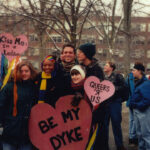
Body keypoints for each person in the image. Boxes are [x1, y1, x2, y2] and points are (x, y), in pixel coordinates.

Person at [0, 61, 38, 150]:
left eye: (26, 71)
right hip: (10, 131)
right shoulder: (9, 87)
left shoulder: (34, 87)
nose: (23, 73)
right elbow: (1, 105)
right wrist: (5, 122)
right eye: (21, 71)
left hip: (27, 133)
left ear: (31, 72)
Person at [77, 43, 107, 150]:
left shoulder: (97, 70)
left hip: (95, 110)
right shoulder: (80, 68)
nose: (78, 54)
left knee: (95, 139)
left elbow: (100, 93)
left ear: (87, 54)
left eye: (80, 52)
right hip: (82, 109)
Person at [103, 61, 127, 150]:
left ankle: (119, 145)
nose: (104, 66)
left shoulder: (117, 76)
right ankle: (104, 145)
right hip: (105, 104)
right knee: (104, 125)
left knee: (116, 124)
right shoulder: (103, 78)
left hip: (115, 103)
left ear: (111, 68)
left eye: (106, 65)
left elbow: (124, 87)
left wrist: (113, 88)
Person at [130, 62, 150, 150]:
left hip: (143, 112)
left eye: (133, 70)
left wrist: (136, 105)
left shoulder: (145, 83)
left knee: (145, 134)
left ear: (139, 71)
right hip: (138, 111)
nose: (132, 72)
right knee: (139, 134)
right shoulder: (138, 82)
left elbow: (147, 100)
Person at [126, 72, 138, 145]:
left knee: (131, 120)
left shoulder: (128, 78)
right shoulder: (136, 79)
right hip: (135, 101)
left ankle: (131, 136)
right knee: (135, 120)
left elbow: (126, 89)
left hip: (130, 101)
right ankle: (133, 137)